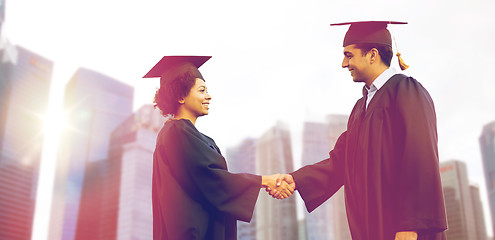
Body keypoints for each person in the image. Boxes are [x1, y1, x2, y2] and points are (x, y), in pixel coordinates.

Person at [275, 21, 448, 240]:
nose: (343, 63)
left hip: (404, 229)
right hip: (373, 226)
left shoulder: (406, 91)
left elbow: (419, 157)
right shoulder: (361, 107)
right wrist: (296, 179)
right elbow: (341, 161)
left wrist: (410, 225)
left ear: (372, 54)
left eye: (349, 55)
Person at [144, 56, 294, 240]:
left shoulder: (193, 136)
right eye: (202, 90)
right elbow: (210, 178)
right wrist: (264, 181)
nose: (209, 96)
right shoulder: (176, 132)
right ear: (181, 95)